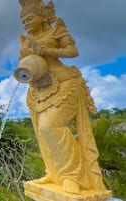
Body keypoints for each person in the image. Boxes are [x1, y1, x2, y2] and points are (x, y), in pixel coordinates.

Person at [18, 0, 106, 194]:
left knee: (51, 126)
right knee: (42, 133)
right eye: (23, 18)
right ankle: (53, 172)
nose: (25, 21)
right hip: (37, 89)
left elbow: (73, 52)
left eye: (30, 17)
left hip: (64, 83)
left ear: (42, 16)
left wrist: (45, 51)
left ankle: (72, 177)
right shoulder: (25, 40)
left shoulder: (56, 30)